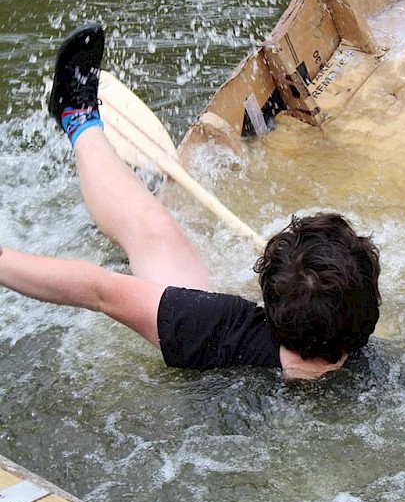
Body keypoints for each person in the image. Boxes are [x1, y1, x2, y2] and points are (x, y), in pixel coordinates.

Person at [0, 23, 381, 380]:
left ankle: (77, 117)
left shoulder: (218, 329)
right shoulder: (381, 372)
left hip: (194, 371)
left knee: (155, 230)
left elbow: (98, 290)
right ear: (367, 316)